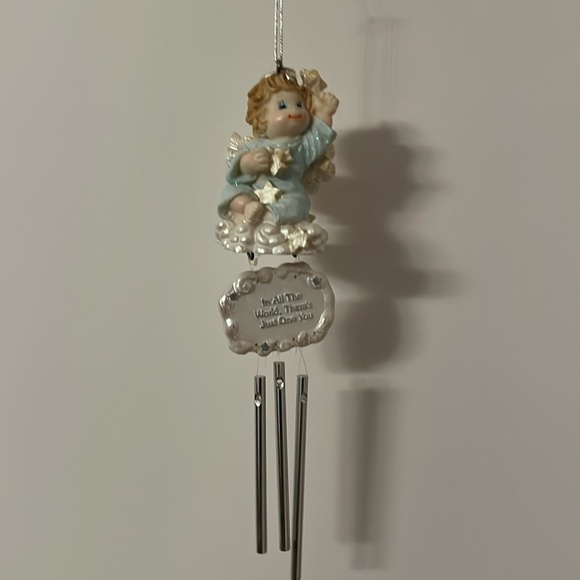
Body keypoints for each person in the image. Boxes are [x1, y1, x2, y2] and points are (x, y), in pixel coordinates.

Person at [218, 69, 339, 226]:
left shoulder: (302, 146)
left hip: (288, 193)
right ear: (261, 116)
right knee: (233, 191)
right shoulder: (256, 145)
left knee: (299, 203)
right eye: (282, 106)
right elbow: (237, 167)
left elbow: (319, 136)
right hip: (255, 190)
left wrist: (325, 113)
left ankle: (269, 215)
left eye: (299, 104)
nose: (294, 110)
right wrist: (248, 163)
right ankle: (246, 206)